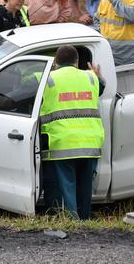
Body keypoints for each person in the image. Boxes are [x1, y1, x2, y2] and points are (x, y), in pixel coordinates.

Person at [40, 45, 105, 220]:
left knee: (66, 187)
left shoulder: (48, 79)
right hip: (90, 142)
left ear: (55, 62)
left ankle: (71, 222)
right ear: (77, 62)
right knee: (85, 188)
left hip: (62, 143)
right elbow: (101, 87)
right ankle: (84, 220)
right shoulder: (91, 78)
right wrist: (98, 75)